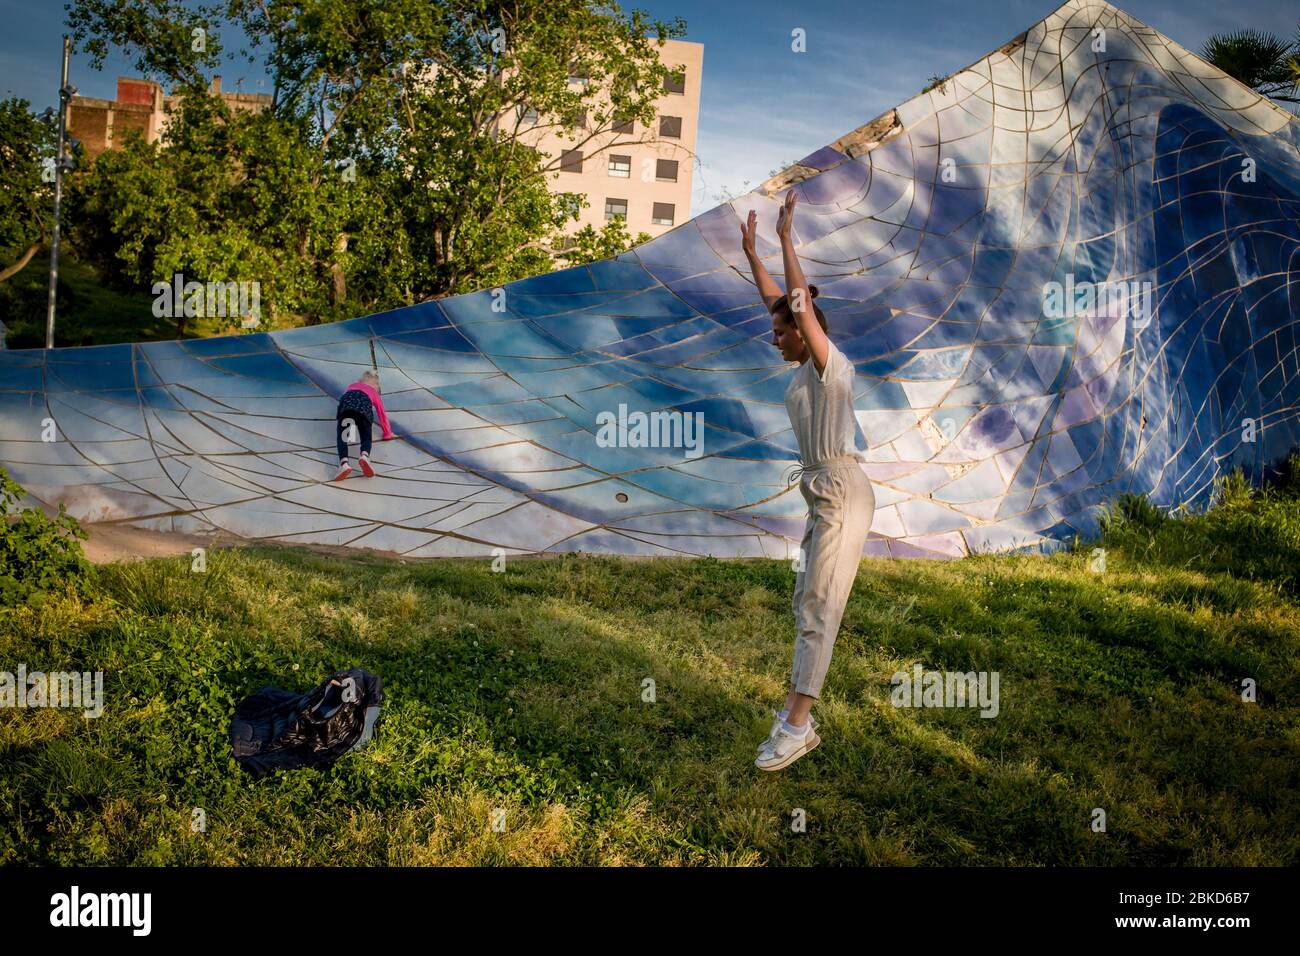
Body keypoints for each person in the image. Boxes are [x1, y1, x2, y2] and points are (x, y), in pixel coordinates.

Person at [739, 190, 875, 772]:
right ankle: (801, 719)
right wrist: (753, 254)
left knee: (820, 603)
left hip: (842, 490)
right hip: (823, 493)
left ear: (806, 330)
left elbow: (794, 305)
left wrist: (789, 239)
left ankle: (795, 726)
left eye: (784, 331)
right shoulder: (803, 364)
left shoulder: (829, 367)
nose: (776, 338)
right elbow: (780, 302)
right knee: (804, 599)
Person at [334, 369, 393, 481]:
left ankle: (344, 463)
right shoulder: (374, 392)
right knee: (366, 436)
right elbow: (382, 413)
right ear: (375, 386)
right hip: (364, 410)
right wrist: (387, 433)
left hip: (346, 408)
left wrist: (349, 432)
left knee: (342, 437)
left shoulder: (352, 386)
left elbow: (342, 401)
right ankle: (364, 456)